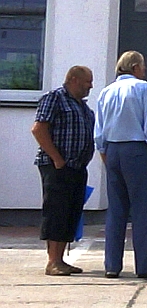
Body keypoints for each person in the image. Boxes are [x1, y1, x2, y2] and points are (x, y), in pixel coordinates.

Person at [94, 50, 147, 279]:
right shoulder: (142, 88)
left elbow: (99, 131)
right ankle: (145, 265)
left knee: (116, 209)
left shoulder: (106, 92)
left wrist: (106, 156)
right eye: (143, 66)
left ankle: (112, 265)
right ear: (135, 67)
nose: (144, 71)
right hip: (135, 149)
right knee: (142, 209)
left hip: (113, 149)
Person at [31, 66, 95, 276]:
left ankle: (61, 260)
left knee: (71, 212)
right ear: (75, 80)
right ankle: (53, 261)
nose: (91, 86)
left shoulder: (84, 108)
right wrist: (57, 159)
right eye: (88, 82)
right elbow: (39, 128)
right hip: (57, 166)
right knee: (56, 212)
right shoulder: (55, 98)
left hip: (77, 168)